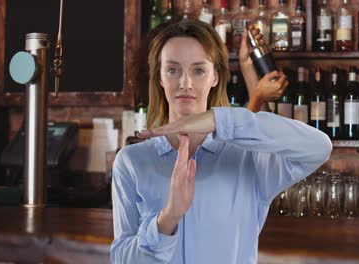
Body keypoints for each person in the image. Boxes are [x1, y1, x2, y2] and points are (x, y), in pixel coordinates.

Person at [111, 19, 332, 264]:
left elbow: (319, 147)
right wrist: (167, 219)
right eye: (173, 70)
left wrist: (219, 120)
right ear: (160, 77)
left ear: (215, 76)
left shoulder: (247, 159)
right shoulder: (131, 162)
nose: (185, 83)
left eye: (198, 70)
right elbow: (122, 259)